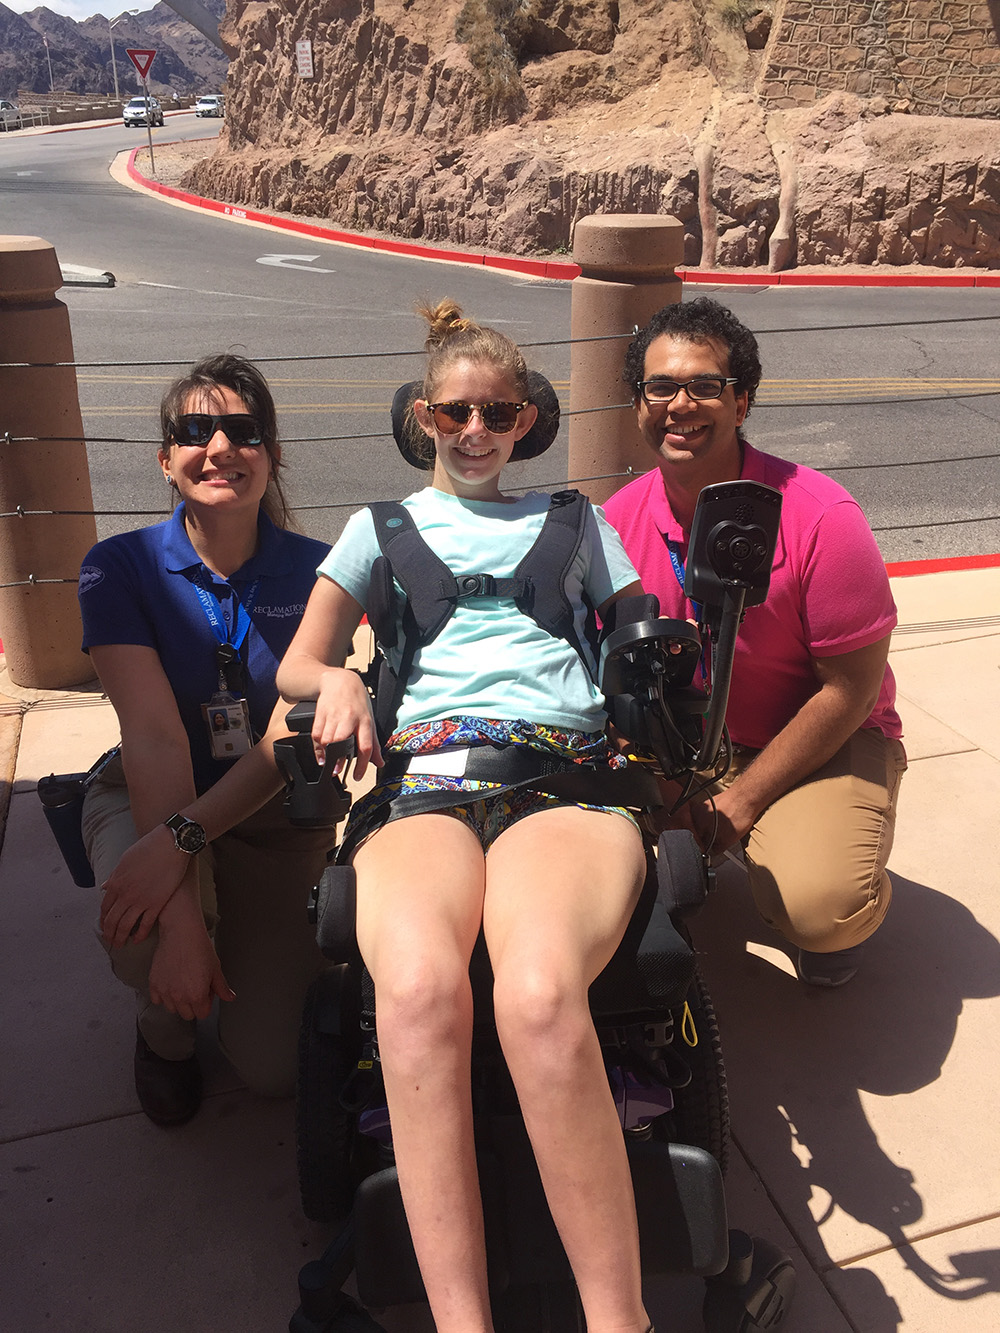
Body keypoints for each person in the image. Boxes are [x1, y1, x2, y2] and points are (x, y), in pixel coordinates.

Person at [276, 301, 655, 1333]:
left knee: (535, 996)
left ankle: (621, 1320)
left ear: (528, 417)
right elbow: (299, 661)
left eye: (499, 412)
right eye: (455, 415)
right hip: (424, 778)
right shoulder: (378, 528)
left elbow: (640, 632)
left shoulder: (578, 519)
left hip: (558, 771)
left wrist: (654, 658)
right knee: (414, 992)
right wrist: (340, 684)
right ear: (424, 421)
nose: (477, 432)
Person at [603, 296, 907, 988]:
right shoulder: (618, 519)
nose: (680, 404)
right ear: (637, 403)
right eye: (661, 386)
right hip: (688, 735)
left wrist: (737, 807)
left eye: (705, 385)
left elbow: (852, 688)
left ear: (741, 403)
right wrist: (669, 786)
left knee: (822, 907)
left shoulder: (822, 517)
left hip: (820, 734)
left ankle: (833, 876)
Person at [77, 353, 333, 1126]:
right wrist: (183, 915)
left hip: (272, 814)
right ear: (166, 458)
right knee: (149, 931)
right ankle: (164, 1035)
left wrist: (185, 843)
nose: (220, 447)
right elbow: (154, 737)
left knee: (273, 1068)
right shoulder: (118, 568)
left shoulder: (320, 573)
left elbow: (292, 740)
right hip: (151, 794)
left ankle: (216, 962)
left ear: (272, 453)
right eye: (195, 429)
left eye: (243, 430)